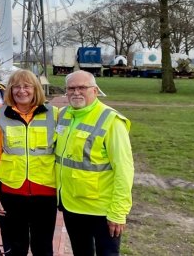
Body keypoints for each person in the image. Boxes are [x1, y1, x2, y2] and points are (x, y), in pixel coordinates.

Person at [56, 71, 134, 256]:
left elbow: (124, 169)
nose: (76, 92)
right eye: (71, 88)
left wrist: (118, 212)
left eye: (82, 87)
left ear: (95, 90)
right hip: (71, 205)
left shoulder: (111, 121)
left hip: (101, 210)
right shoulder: (64, 115)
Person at [0, 69, 57, 256]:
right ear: (10, 90)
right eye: (16, 86)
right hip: (11, 191)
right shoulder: (0, 115)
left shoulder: (54, 114)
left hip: (45, 191)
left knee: (43, 247)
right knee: (14, 248)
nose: (21, 90)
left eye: (27, 86)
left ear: (36, 89)